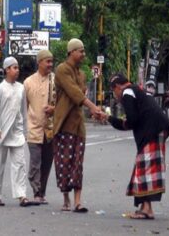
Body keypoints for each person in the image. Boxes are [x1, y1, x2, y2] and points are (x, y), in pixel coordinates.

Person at [100, 73, 169, 220]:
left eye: (114, 91)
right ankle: (145, 207)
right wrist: (108, 118)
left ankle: (147, 209)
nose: (116, 96)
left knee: (146, 169)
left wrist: (109, 118)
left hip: (152, 130)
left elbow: (131, 121)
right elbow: (130, 122)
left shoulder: (127, 92)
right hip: (156, 129)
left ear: (118, 87)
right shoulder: (135, 91)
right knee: (145, 168)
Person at [53, 38, 102, 213]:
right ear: (72, 52)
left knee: (77, 163)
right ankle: (66, 198)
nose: (83, 54)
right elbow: (75, 94)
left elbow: (81, 95)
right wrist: (94, 107)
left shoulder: (82, 74)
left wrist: (94, 111)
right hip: (64, 123)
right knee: (63, 163)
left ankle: (78, 202)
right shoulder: (61, 70)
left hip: (78, 125)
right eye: (80, 51)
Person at [0, 56, 39, 207]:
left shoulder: (21, 88)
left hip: (16, 133)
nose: (17, 70)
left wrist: (25, 131)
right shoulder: (0, 89)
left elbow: (23, 111)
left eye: (17, 68)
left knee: (20, 165)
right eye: (14, 68)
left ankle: (21, 195)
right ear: (7, 70)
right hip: (2, 133)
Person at [24, 50, 55, 204]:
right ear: (39, 62)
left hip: (51, 129)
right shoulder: (28, 82)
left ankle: (41, 193)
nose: (50, 64)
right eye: (47, 61)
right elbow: (24, 107)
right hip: (33, 128)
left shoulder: (55, 81)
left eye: (51, 61)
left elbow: (62, 103)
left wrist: (54, 109)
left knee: (47, 163)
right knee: (35, 163)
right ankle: (36, 191)